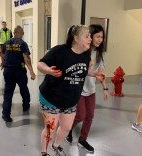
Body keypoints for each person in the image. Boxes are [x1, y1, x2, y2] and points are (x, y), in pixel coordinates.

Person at [38, 25, 105, 156]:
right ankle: (44, 152)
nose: (90, 39)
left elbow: (82, 70)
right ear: (75, 38)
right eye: (87, 36)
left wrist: (94, 74)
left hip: (70, 99)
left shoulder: (86, 55)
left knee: (66, 128)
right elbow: (40, 64)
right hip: (52, 97)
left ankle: (56, 145)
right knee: (50, 129)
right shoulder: (59, 51)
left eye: (90, 36)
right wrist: (49, 71)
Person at [65, 24, 109, 153]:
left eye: (102, 37)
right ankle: (67, 130)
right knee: (80, 116)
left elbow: (101, 74)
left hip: (91, 89)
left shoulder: (100, 55)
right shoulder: (83, 51)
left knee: (90, 116)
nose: (100, 39)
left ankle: (82, 139)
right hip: (78, 89)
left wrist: (105, 89)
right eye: (97, 36)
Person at [1, 25, 36, 122]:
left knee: (8, 93)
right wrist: (31, 71)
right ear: (22, 33)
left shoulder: (7, 42)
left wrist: (3, 63)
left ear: (13, 33)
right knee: (24, 88)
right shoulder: (22, 43)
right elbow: (26, 58)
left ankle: (6, 114)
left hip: (8, 71)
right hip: (19, 71)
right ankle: (25, 106)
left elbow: (3, 54)